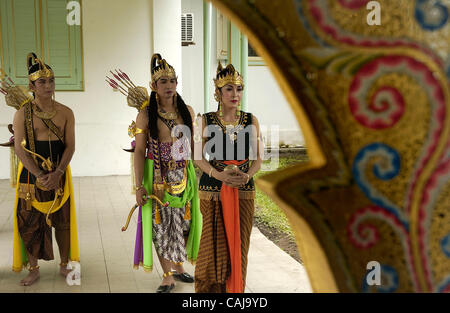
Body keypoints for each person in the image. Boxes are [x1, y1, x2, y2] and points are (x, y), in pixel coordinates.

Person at [4, 53, 79, 286]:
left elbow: (71, 146)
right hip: (30, 175)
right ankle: (34, 268)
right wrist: (39, 175)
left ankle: (65, 264)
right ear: (32, 86)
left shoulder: (66, 112)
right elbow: (19, 148)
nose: (49, 86)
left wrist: (57, 173)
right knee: (29, 222)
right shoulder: (22, 114)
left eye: (52, 81)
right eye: (42, 82)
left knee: (63, 221)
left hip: (59, 171)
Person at [131, 53, 202, 293]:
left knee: (184, 223)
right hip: (158, 177)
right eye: (163, 82)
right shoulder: (145, 115)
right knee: (161, 226)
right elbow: (140, 151)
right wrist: (139, 186)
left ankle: (180, 267)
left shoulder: (188, 111)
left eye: (172, 81)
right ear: (153, 86)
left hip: (184, 175)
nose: (169, 86)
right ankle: (167, 275)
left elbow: (195, 148)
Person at [194, 62, 263, 293]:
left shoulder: (251, 120)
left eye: (239, 88)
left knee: (239, 244)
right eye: (229, 89)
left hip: (243, 189)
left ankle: (235, 291)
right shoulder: (204, 120)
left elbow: (259, 160)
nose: (236, 94)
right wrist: (219, 174)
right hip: (213, 190)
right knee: (212, 247)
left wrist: (246, 175)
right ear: (218, 93)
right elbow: (196, 158)